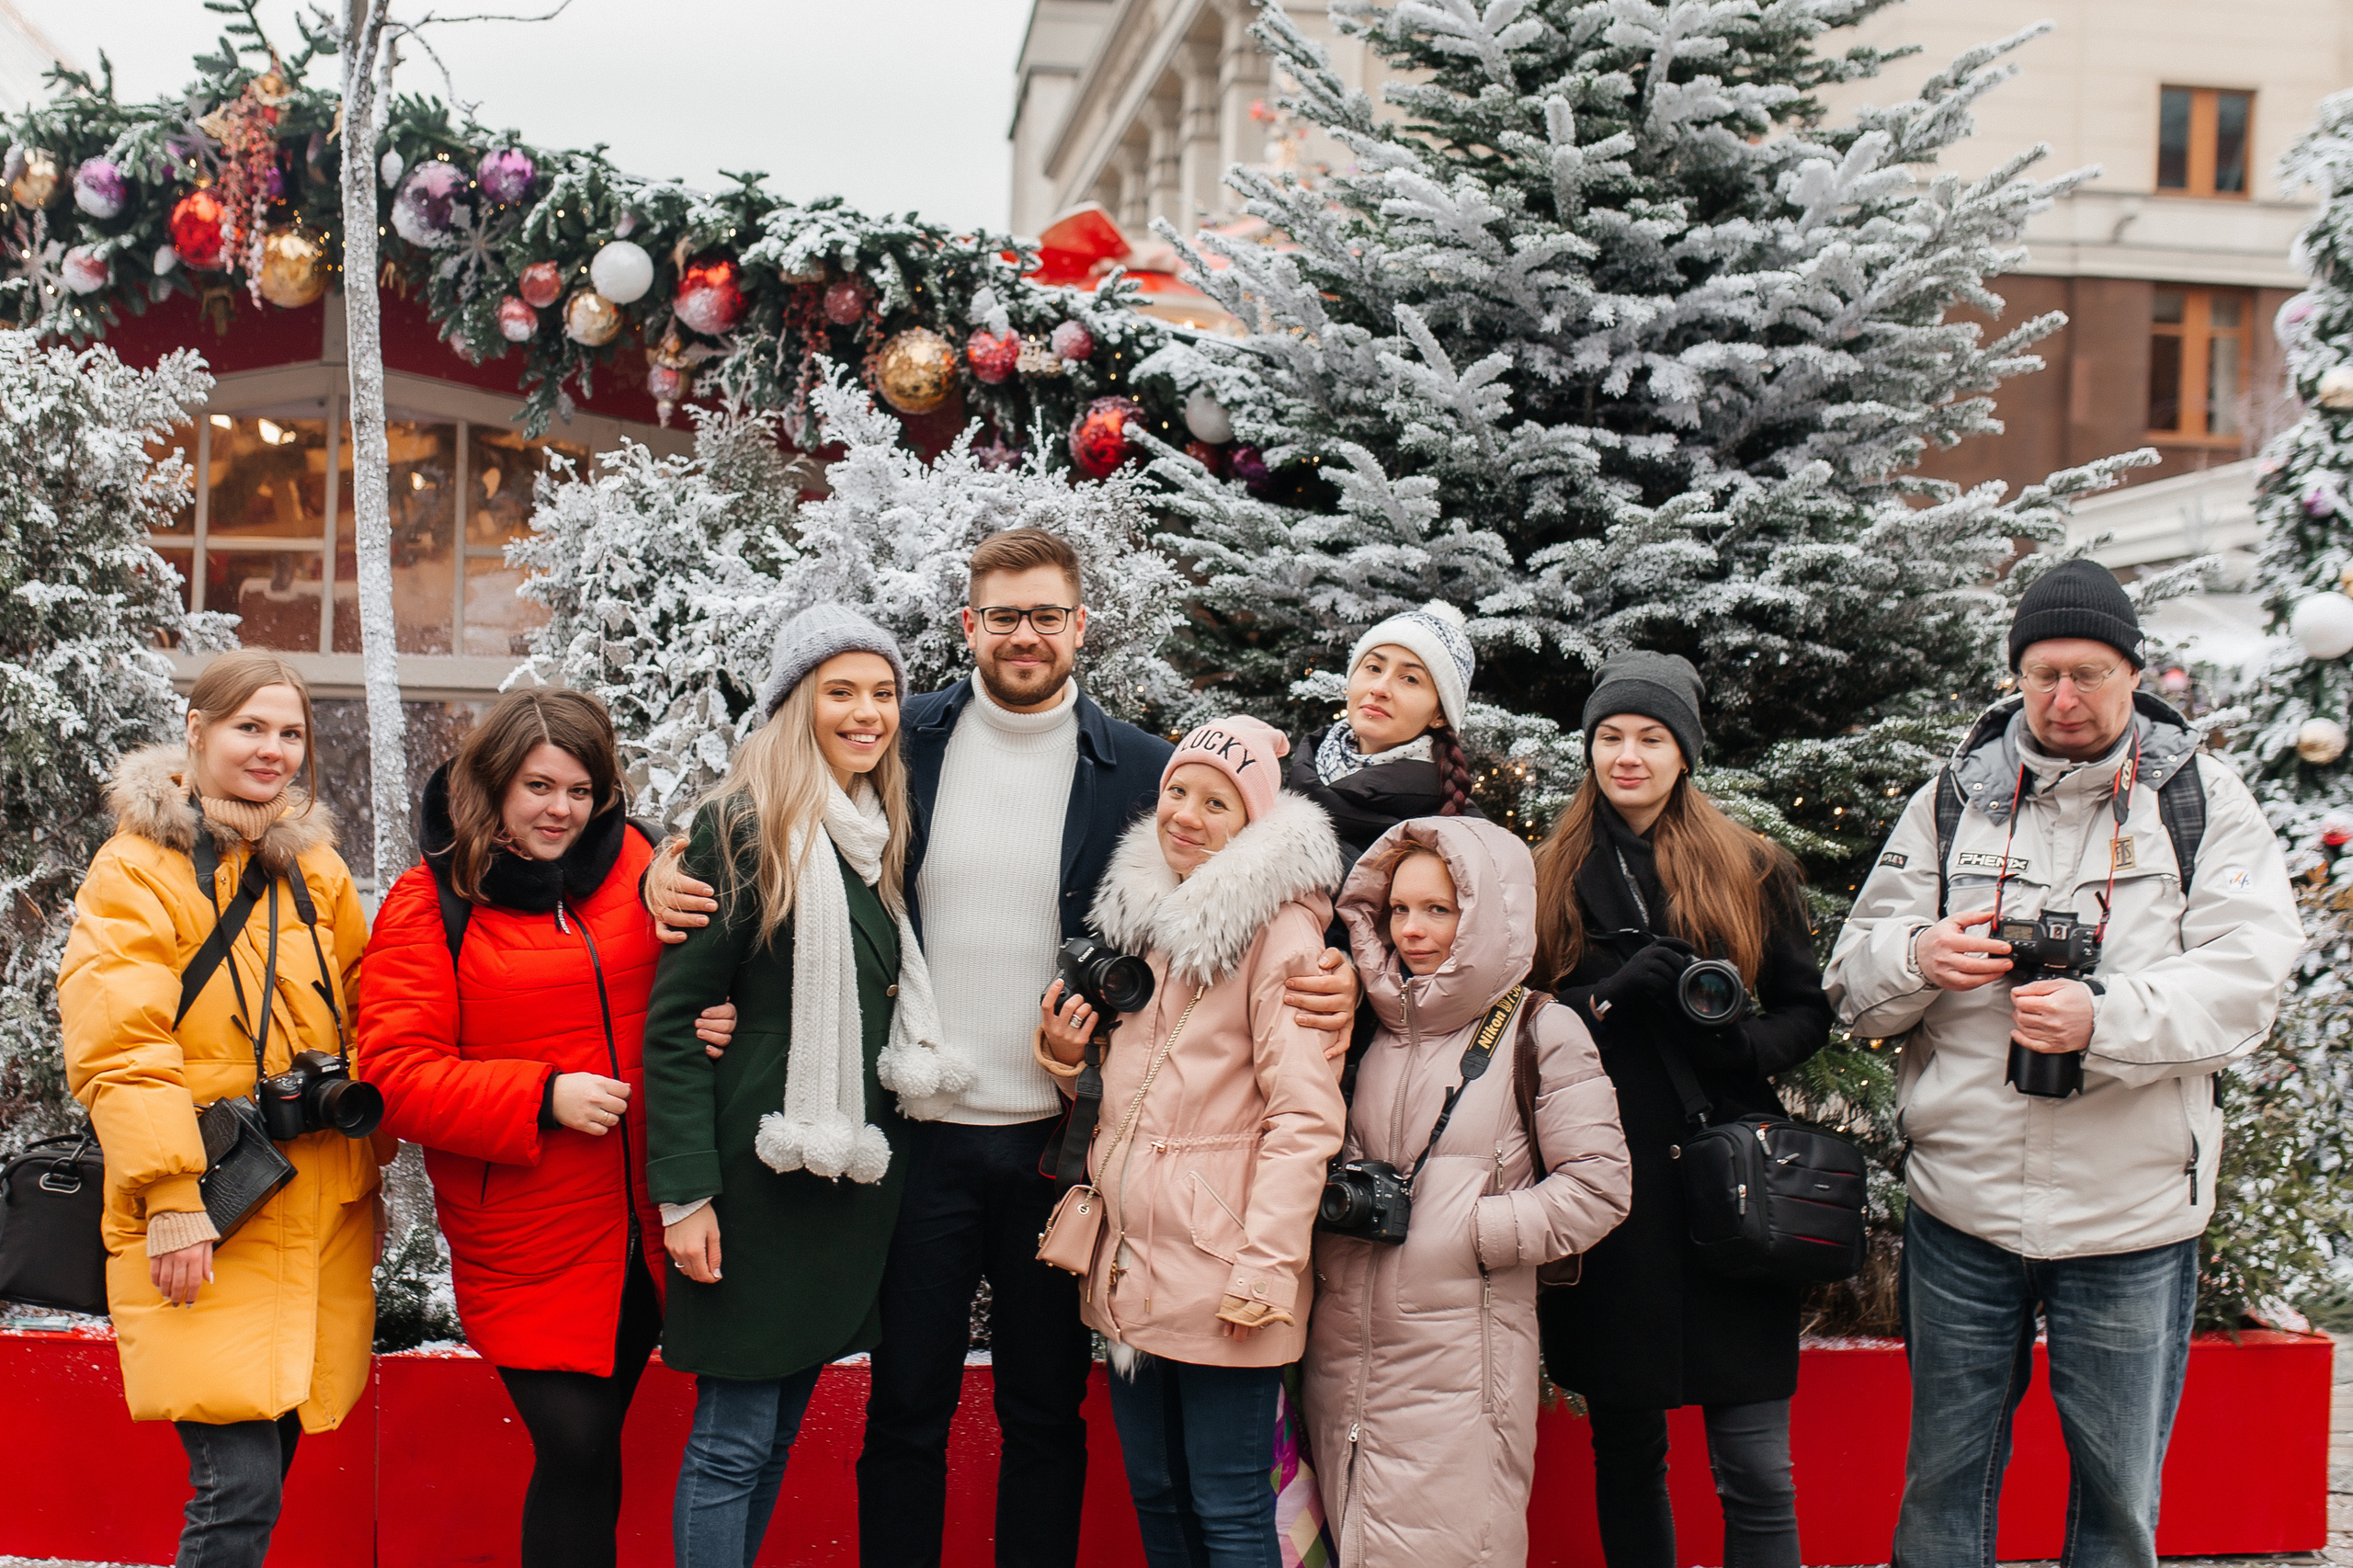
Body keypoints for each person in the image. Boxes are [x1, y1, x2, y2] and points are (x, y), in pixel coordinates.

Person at [643, 528, 1358, 1568]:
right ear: (970, 626)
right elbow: (770, 824)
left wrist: (1328, 959)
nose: (1025, 635)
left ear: (1080, 627)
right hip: (916, 1135)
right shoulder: (900, 740)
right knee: (907, 1409)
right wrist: (656, 870)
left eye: (1047, 616)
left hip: (1056, 1144)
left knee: (1042, 1414)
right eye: (1003, 615)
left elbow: (1256, 887)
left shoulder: (1148, 771)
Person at [1824, 560, 2302, 1568]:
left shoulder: (2202, 802)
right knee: (1942, 1487)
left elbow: (2249, 980)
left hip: (2129, 1215)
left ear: (2134, 672)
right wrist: (1917, 958)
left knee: (2119, 1502)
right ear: (2015, 676)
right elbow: (1849, 975)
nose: (2064, 698)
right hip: (1963, 1202)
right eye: (2042, 674)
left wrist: (2104, 1013)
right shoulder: (1952, 800)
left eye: (2088, 673)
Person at [360, 688, 737, 1568]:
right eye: (537, 787)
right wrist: (542, 1096)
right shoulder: (430, 903)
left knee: (593, 1454)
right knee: (572, 1444)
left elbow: (701, 979)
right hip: (528, 1237)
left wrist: (717, 1021)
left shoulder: (643, 860)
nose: (559, 810)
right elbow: (393, 1077)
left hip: (654, 1222)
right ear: (491, 785)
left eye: (579, 790)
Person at [642, 605, 973, 1568]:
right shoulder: (746, 826)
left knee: (775, 1431)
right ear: (796, 703)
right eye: (841, 691)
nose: (866, 712)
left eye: (881, 692)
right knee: (733, 1441)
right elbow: (675, 1023)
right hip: (751, 1181)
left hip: (831, 1188)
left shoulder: (868, 834)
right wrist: (685, 1194)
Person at [57, 650, 388, 1568]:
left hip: (312, 1206)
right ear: (196, 731)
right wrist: (169, 1195)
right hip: (211, 1205)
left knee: (267, 1463)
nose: (271, 749)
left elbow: (376, 1002)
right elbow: (121, 1046)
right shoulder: (134, 870)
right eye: (250, 726)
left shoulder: (315, 869)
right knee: (236, 1486)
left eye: (290, 733)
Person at [1530, 651, 1834, 1568]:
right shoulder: (1547, 875)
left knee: (1756, 1467)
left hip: (1730, 1187)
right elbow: (1512, 1021)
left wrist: (1740, 1044)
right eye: (1610, 736)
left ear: (1684, 752)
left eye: (1650, 737)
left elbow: (1807, 1008)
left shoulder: (1749, 864)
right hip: (1611, 1194)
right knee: (1626, 1451)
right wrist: (1610, 995)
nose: (1627, 755)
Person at [1037, 716, 1347, 1568]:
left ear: (1252, 824)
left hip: (1224, 1270)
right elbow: (1129, 1095)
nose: (1186, 815)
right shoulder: (1147, 917)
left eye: (1217, 803)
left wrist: (1265, 1266)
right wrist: (1067, 1057)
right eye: (1178, 791)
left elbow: (1305, 1115)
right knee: (1159, 1494)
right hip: (1133, 1263)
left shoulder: (1275, 930)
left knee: (1231, 1503)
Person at [1304, 816, 1632, 1567]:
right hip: (1342, 1366)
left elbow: (1600, 1189)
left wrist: (1467, 1234)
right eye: (1399, 910)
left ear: (1487, 915)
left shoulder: (1540, 1031)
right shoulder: (1371, 1029)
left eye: (1439, 910)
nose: (1413, 930)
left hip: (1462, 1376)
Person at [1286, 600, 1483, 869]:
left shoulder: (1461, 831)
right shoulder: (1285, 779)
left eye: (1410, 679)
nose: (1380, 688)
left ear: (1440, 714)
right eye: (1374, 668)